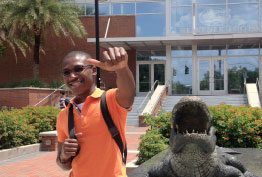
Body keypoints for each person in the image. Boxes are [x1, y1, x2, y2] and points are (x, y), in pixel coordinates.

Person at [56, 47, 135, 177]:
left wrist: (121, 69)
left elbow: (128, 95)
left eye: (78, 69)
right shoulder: (63, 115)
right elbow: (63, 165)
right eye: (66, 72)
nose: (72, 76)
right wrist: (64, 155)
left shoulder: (109, 100)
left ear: (93, 70)